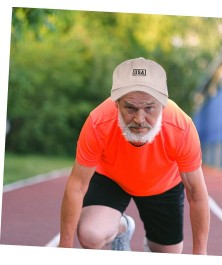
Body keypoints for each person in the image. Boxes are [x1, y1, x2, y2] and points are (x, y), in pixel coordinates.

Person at [59, 57, 210, 254]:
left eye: (149, 108)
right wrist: (63, 249)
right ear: (116, 104)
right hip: (112, 178)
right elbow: (77, 186)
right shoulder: (98, 122)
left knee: (168, 253)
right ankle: (122, 228)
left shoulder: (182, 127)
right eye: (130, 108)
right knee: (90, 235)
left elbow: (196, 193)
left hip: (162, 185)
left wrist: (201, 255)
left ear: (163, 105)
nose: (139, 119)